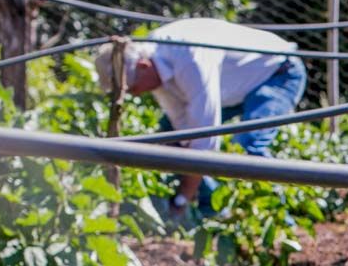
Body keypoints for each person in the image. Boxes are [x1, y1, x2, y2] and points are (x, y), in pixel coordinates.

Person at [92, 18, 307, 221]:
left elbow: (204, 141)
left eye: (133, 89)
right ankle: (215, 216)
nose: (135, 94)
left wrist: (183, 196)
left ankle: (279, 224)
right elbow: (184, 131)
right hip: (233, 87)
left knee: (249, 146)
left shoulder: (189, 59)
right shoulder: (154, 65)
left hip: (277, 73)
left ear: (143, 66)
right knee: (171, 138)